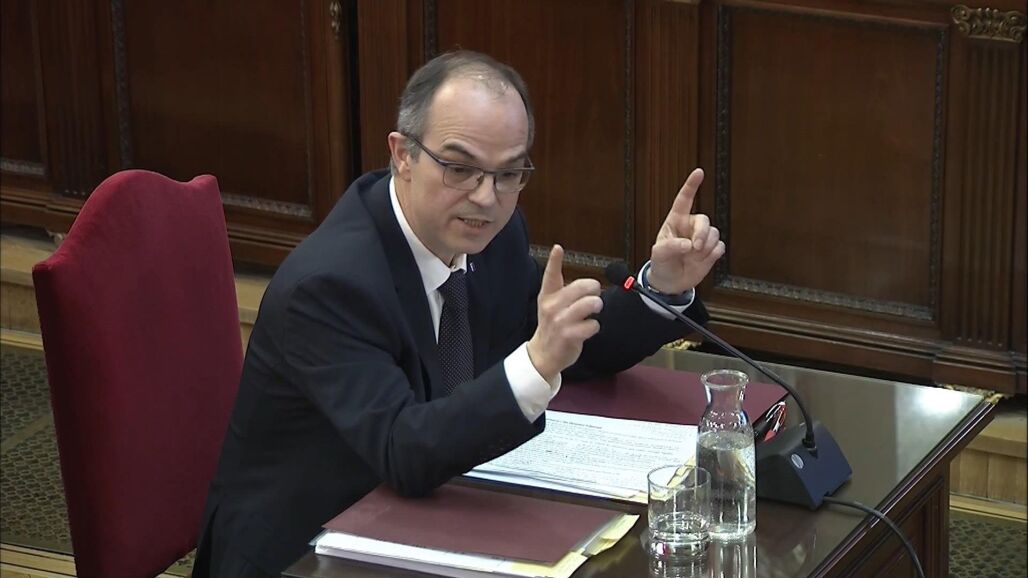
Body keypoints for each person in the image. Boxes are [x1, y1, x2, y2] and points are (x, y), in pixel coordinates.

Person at [193, 50, 724, 577]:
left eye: (508, 174)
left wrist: (663, 286)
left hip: (423, 521)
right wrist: (537, 362)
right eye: (460, 169)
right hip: (305, 551)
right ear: (402, 154)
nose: (486, 198)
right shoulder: (330, 286)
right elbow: (402, 450)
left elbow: (562, 344)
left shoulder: (494, 238)